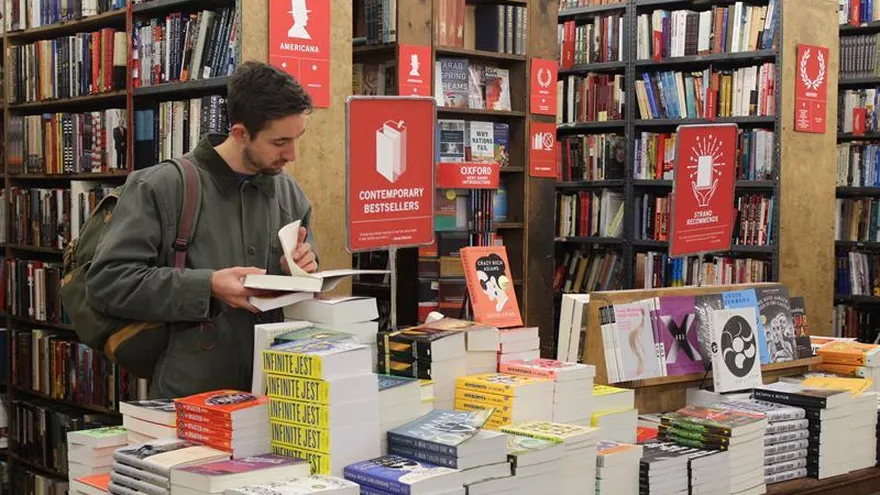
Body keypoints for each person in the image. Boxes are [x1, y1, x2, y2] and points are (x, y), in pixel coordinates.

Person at [86, 61, 319, 399]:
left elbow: (306, 268)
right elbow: (108, 283)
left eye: (297, 138)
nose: (292, 154)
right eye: (280, 141)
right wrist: (207, 286)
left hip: (273, 393)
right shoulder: (161, 187)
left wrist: (304, 266)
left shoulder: (289, 193)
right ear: (240, 134)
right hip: (191, 397)